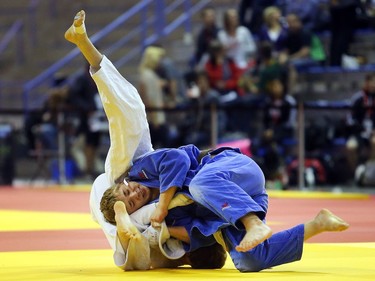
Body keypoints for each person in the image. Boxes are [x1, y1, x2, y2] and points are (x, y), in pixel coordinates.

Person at [65, 9, 350, 273]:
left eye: (127, 193)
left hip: (230, 168)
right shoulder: (165, 218)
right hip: (243, 197)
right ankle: (317, 223)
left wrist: (162, 205)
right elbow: (199, 230)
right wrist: (163, 230)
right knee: (247, 259)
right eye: (131, 203)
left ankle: (252, 223)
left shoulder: (143, 169)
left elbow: (176, 158)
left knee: (194, 179)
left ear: (124, 183)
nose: (135, 195)